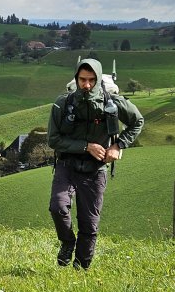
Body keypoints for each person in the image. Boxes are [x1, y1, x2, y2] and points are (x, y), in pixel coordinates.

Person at [47, 57, 144, 270]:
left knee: (89, 224)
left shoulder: (113, 103)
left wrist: (118, 146)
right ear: (76, 78)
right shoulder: (62, 104)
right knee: (58, 207)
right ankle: (67, 242)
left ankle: (80, 269)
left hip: (95, 169)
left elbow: (138, 121)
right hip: (67, 164)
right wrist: (86, 146)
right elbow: (53, 140)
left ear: (99, 79)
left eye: (91, 80)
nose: (87, 85)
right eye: (82, 79)